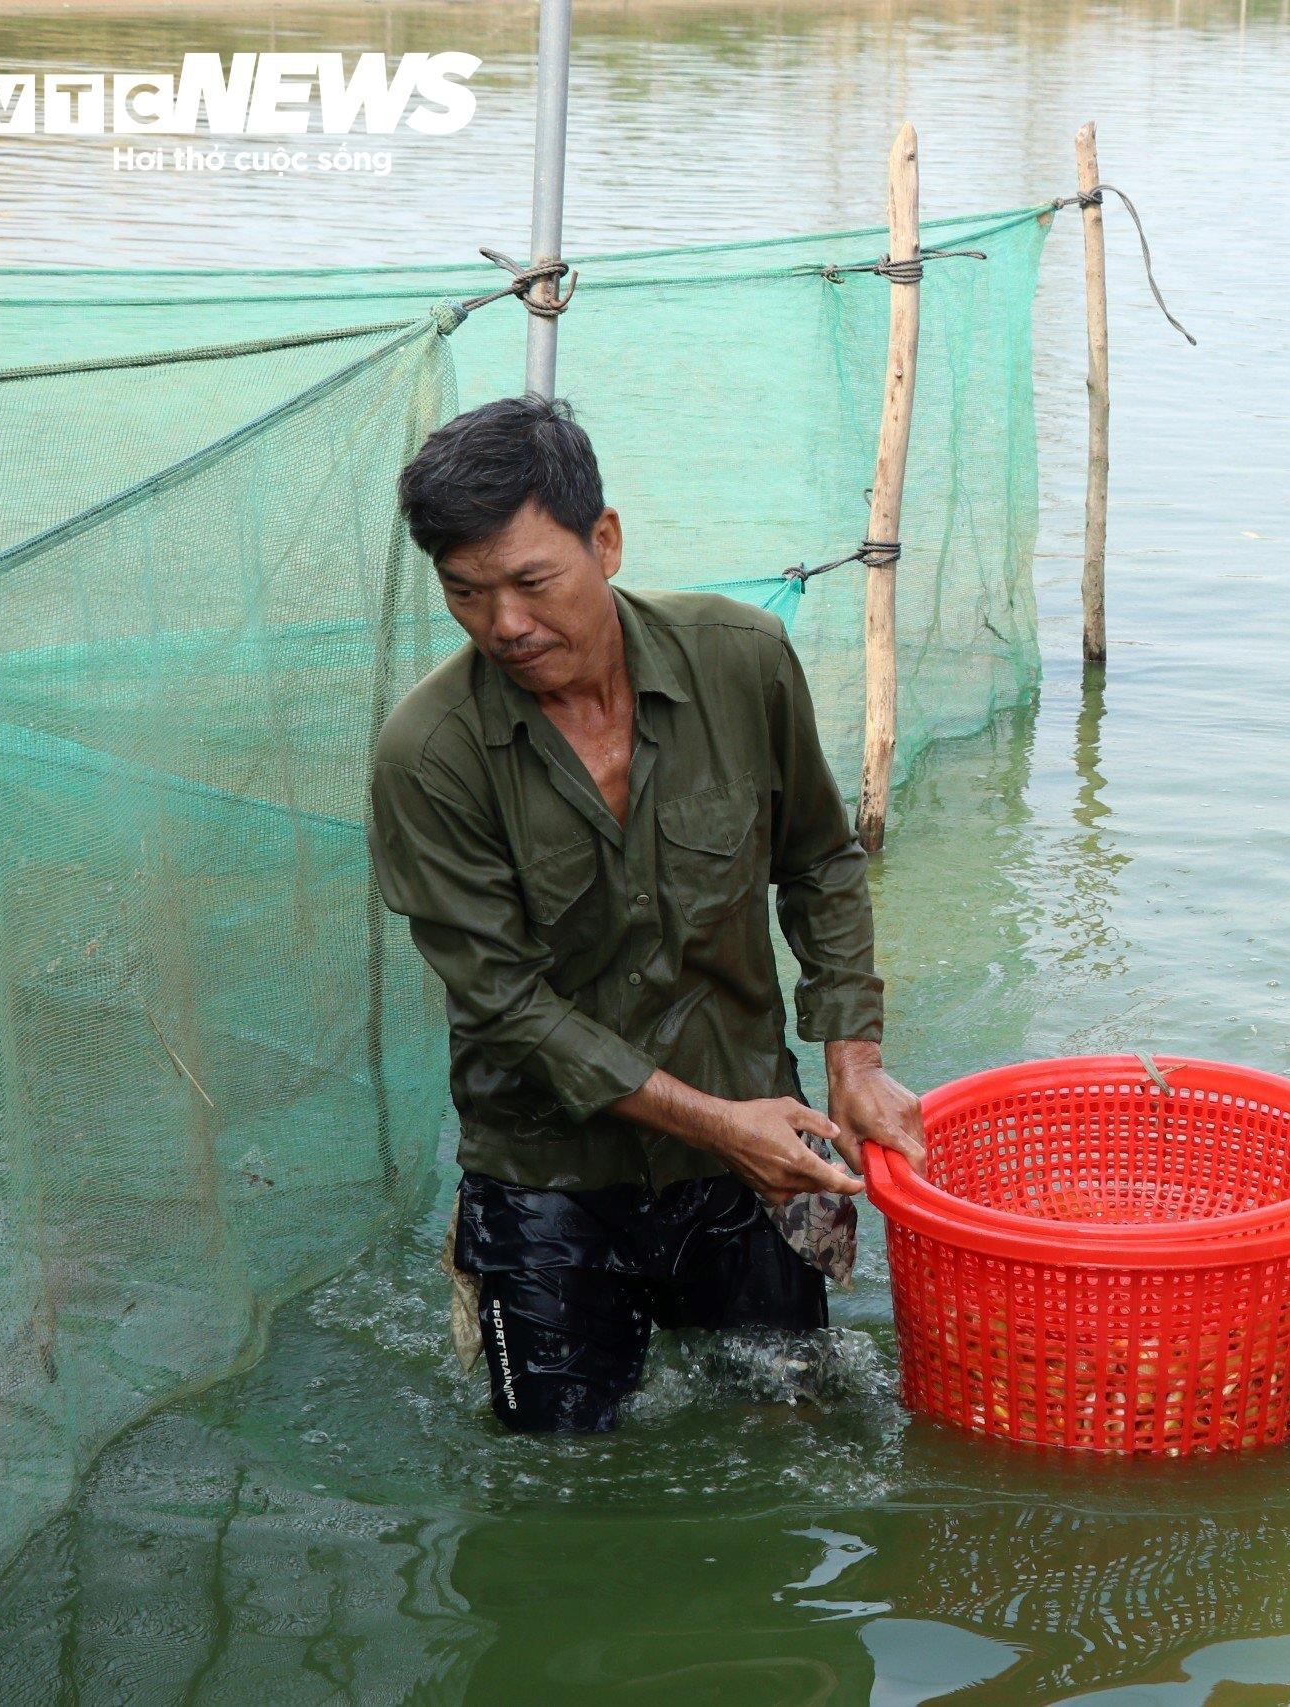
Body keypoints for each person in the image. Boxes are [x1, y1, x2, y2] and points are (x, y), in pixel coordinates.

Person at [368, 394, 926, 1434]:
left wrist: (853, 1060)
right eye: (466, 593)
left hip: (756, 1140)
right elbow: (509, 1010)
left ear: (606, 541)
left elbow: (819, 861)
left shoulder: (744, 660)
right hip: (546, 1171)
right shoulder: (429, 756)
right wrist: (723, 1126)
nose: (506, 625)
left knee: (788, 1421)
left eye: (533, 581)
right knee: (556, 1468)